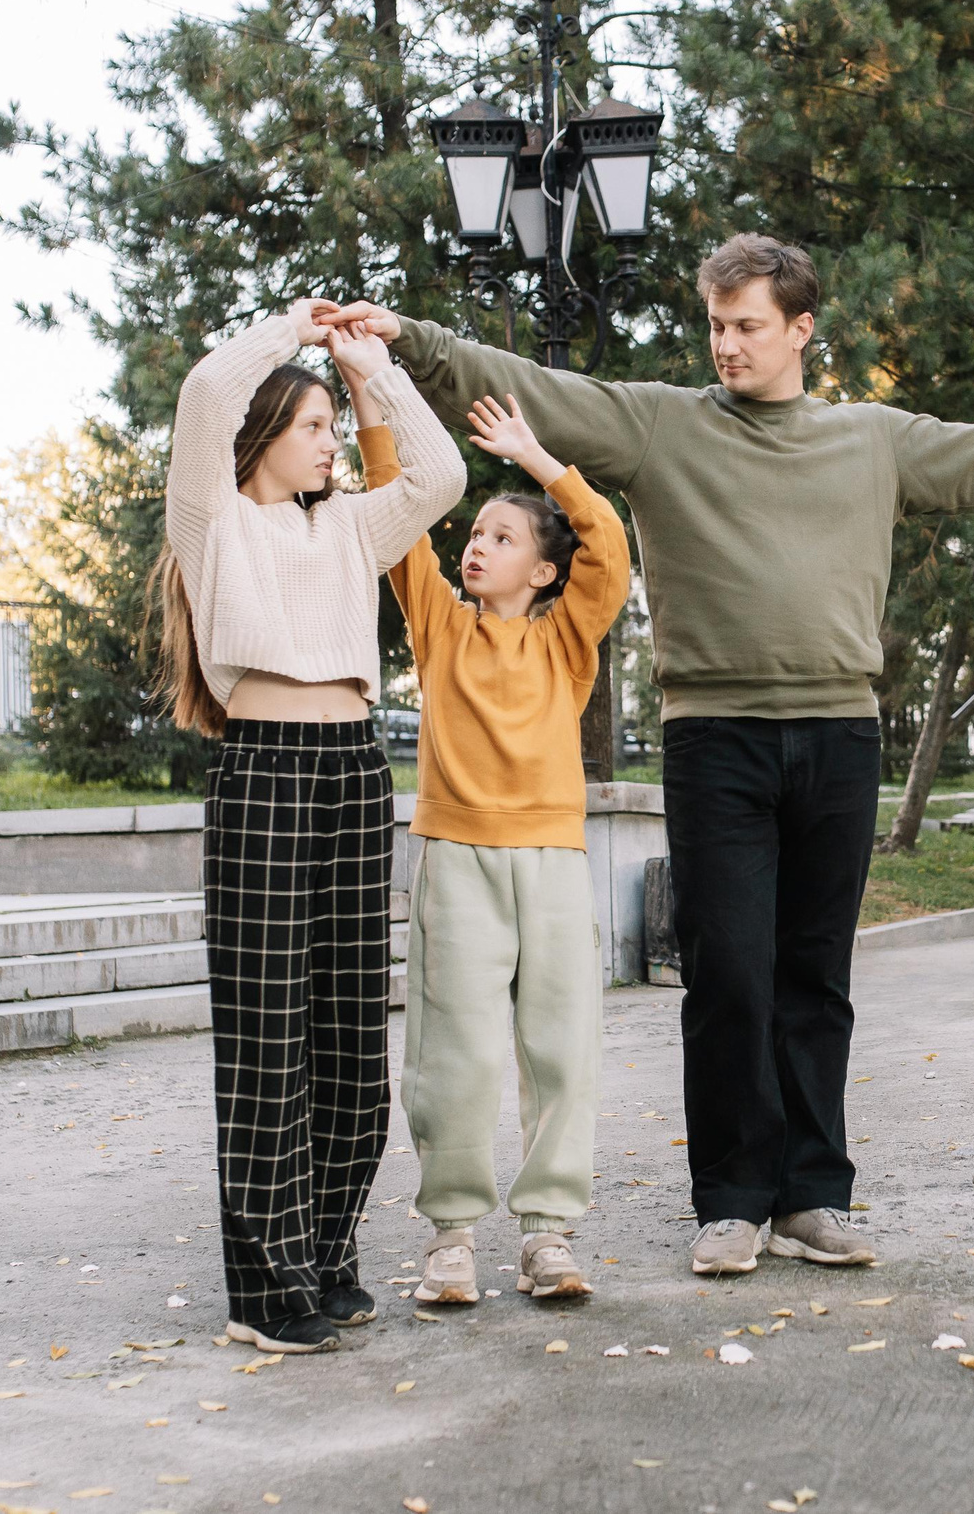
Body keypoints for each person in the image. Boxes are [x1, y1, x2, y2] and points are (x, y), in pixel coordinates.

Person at [320, 235, 974, 1275]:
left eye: (747, 326)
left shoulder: (872, 439)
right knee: (730, 975)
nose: (727, 345)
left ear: (799, 330)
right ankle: (733, 1201)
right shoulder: (662, 428)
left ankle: (813, 1197)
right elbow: (532, 387)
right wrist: (408, 339)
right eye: (715, 326)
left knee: (813, 978)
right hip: (714, 739)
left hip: (837, 734)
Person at [153, 299, 467, 1353]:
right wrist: (288, 330)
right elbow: (204, 394)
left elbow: (441, 478)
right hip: (265, 772)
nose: (332, 442)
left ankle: (326, 1257)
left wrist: (367, 369)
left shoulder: (349, 525)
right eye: (314, 427)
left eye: (335, 429)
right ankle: (262, 1286)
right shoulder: (213, 517)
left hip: (350, 769)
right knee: (265, 1039)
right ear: (265, 439)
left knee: (345, 1038)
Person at [335, 329, 632, 1307]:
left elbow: (611, 550)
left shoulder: (568, 640)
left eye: (503, 537)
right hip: (455, 854)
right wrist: (365, 393)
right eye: (477, 534)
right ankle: (451, 1235)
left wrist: (538, 464)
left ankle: (548, 1235)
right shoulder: (436, 620)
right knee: (452, 1050)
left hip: (549, 855)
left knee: (560, 1049)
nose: (479, 544)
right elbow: (393, 511)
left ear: (543, 573)